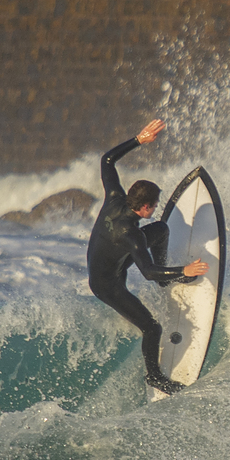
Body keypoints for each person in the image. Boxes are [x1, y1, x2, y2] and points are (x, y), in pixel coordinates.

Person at [87, 119, 209, 395]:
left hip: (112, 260)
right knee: (151, 328)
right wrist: (184, 271)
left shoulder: (116, 197)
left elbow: (107, 160)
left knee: (162, 229)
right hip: (107, 285)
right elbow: (148, 271)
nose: (155, 208)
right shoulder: (132, 235)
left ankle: (168, 281)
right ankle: (155, 377)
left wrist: (138, 140)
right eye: (154, 205)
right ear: (143, 207)